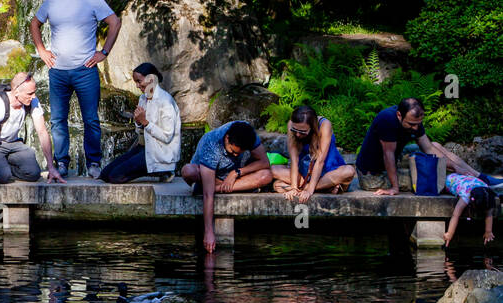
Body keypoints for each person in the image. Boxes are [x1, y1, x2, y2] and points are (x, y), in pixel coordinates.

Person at [29, 0, 121, 179]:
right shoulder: (52, 1)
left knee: (90, 119)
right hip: (58, 71)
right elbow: (34, 24)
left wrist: (104, 52)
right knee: (58, 120)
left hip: (85, 70)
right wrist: (41, 50)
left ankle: (94, 163)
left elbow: (114, 22)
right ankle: (62, 163)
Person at [355, 97, 490, 195]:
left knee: (436, 145)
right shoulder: (387, 120)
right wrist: (394, 188)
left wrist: (455, 166)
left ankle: (478, 176)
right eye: (411, 124)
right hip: (372, 176)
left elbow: (429, 148)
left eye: (418, 123)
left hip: (395, 157)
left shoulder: (415, 119)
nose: (415, 128)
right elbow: (388, 155)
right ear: (399, 115)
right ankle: (468, 183)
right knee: (431, 177)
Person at [0, 71, 66, 199]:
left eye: (34, 92)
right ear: (16, 91)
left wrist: (51, 168)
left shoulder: (32, 101)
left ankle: (1, 164)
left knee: (33, 173)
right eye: (30, 93)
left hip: (12, 143)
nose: (33, 96)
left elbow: (42, 133)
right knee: (2, 176)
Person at [181, 120, 273, 252]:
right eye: (232, 151)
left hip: (232, 178)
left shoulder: (248, 133)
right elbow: (208, 196)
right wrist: (209, 232)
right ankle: (213, 186)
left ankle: (217, 188)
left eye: (239, 153)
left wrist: (236, 173)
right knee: (188, 171)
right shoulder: (212, 144)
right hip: (207, 175)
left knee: (266, 175)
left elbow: (264, 162)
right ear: (227, 138)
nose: (235, 155)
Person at [100, 61, 181, 184]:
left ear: (151, 79)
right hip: (144, 148)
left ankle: (163, 171)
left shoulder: (166, 102)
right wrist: (138, 121)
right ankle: (151, 169)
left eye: (139, 81)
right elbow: (140, 130)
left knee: (114, 177)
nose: (137, 86)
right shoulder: (142, 98)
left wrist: (145, 122)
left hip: (159, 154)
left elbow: (167, 137)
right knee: (105, 174)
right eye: (136, 82)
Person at [271, 104, 356, 200]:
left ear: (312, 127)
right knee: (272, 169)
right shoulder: (292, 124)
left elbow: (320, 161)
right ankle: (325, 188)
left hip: (328, 173)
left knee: (349, 171)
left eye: (302, 132)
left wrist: (309, 190)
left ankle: (305, 187)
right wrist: (294, 188)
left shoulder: (324, 125)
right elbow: (294, 161)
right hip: (304, 174)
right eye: (295, 130)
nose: (298, 134)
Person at [443, 173, 495, 246]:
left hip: (464, 178)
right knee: (444, 187)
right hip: (449, 180)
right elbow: (455, 215)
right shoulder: (466, 195)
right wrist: (450, 233)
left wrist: (488, 231)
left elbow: (489, 214)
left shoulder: (488, 194)